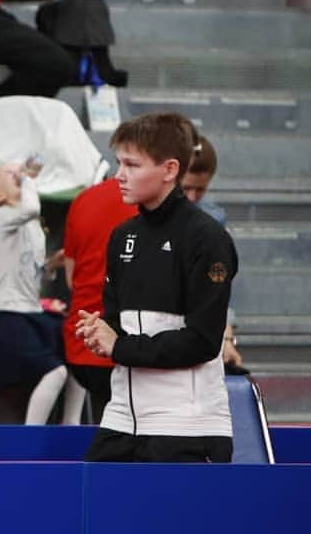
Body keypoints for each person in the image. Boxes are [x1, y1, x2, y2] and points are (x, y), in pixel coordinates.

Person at [76, 112, 238, 463]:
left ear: (169, 170)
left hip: (186, 426)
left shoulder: (207, 238)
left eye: (132, 165)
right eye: (119, 163)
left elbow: (203, 341)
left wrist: (119, 345)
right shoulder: (123, 236)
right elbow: (120, 324)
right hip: (122, 420)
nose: (119, 175)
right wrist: (101, 331)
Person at [0, 163, 66, 424]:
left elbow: (32, 272)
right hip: (8, 316)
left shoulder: (33, 226)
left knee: (78, 354)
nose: (16, 174)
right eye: (9, 174)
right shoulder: (2, 216)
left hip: (33, 312)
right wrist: (28, 179)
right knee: (57, 372)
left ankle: (70, 423)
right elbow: (31, 207)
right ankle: (32, 433)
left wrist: (51, 265)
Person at [60, 176, 137, 424]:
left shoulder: (84, 198)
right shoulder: (155, 209)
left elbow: (71, 280)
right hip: (130, 352)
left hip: (83, 346)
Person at [182, 134, 245, 372]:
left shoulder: (214, 220)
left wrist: (227, 338)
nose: (191, 197)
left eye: (200, 189)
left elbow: (221, 281)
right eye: (185, 187)